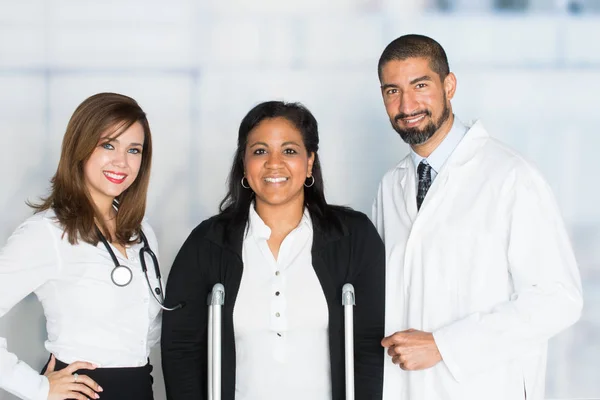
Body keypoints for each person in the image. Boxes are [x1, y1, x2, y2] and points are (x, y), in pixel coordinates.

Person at [372, 34, 584, 400]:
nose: (407, 104)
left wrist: (444, 345)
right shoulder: (391, 187)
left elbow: (558, 298)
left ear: (449, 85)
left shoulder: (511, 177)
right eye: (392, 91)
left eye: (420, 85)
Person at [161, 100, 385, 400]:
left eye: (289, 151)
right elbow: (182, 347)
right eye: (260, 151)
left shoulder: (354, 236)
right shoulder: (207, 242)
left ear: (309, 163)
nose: (274, 162)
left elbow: (370, 345)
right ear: (244, 163)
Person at [0, 93, 163, 399]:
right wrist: (36, 388)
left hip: (140, 388)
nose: (122, 162)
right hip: (86, 392)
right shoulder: (48, 233)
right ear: (81, 146)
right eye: (108, 145)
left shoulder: (142, 235)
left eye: (134, 150)